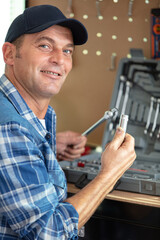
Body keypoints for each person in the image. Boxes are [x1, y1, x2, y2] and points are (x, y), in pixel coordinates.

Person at [0, 4, 136, 239]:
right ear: (10, 54)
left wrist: (45, 152)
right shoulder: (10, 128)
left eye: (67, 51)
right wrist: (110, 173)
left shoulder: (25, 117)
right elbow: (48, 233)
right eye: (45, 46)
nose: (59, 60)